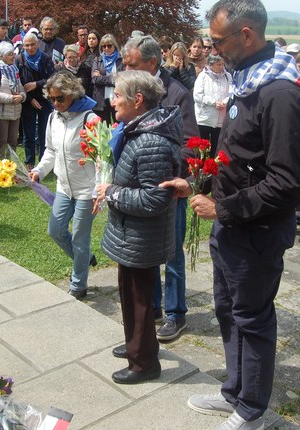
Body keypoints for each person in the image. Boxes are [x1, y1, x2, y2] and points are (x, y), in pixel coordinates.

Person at [162, 0, 300, 430]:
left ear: (245, 34)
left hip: (257, 231)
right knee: (228, 309)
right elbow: (242, 158)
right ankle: (235, 392)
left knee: (252, 316)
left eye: (218, 42)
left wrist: (224, 207)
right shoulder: (250, 79)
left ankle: (252, 411)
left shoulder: (282, 94)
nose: (213, 51)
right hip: (231, 224)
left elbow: (286, 184)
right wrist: (195, 183)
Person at [94, 70, 182, 385]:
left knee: (141, 300)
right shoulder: (137, 131)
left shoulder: (152, 142)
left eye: (117, 95)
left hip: (142, 237)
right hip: (131, 235)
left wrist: (112, 193)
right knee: (131, 296)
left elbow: (154, 199)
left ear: (138, 100)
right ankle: (136, 344)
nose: (112, 100)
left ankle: (144, 363)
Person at [120, 34, 199, 343]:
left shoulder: (176, 94)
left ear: (152, 63)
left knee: (171, 250)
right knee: (146, 250)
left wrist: (161, 170)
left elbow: (190, 145)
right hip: (138, 189)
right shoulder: (132, 89)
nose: (125, 70)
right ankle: (152, 305)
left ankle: (176, 314)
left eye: (132, 64)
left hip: (167, 188)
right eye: (125, 65)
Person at [29, 72, 98, 299]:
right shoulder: (53, 118)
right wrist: (39, 171)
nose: (56, 103)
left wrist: (99, 191)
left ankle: (78, 284)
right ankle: (85, 259)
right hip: (64, 188)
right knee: (56, 231)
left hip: (86, 190)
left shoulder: (89, 118)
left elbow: (102, 158)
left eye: (60, 99)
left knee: (79, 238)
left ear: (73, 95)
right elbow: (50, 150)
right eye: (52, 99)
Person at [17, 32, 55, 167]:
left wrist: (36, 84)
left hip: (44, 99)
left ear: (37, 44)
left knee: (45, 133)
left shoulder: (46, 59)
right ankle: (30, 162)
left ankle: (44, 163)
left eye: (32, 44)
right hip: (28, 101)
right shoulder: (19, 60)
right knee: (29, 134)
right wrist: (30, 99)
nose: (30, 48)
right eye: (26, 45)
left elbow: (52, 79)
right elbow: (17, 83)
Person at [0, 41, 25, 152]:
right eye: (10, 54)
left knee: (13, 143)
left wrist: (22, 97)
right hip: (0, 114)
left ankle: (11, 168)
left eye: (13, 53)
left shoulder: (14, 70)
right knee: (1, 144)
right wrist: (11, 99)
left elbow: (21, 88)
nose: (13, 56)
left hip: (15, 113)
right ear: (1, 56)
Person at [193, 53, 230, 155]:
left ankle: (213, 168)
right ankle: (201, 169)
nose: (222, 67)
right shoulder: (203, 76)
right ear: (211, 65)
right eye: (219, 64)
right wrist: (213, 102)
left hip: (221, 118)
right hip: (204, 118)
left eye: (223, 64)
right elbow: (197, 95)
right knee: (202, 149)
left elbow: (232, 92)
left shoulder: (227, 76)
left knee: (216, 147)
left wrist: (225, 102)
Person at [91, 33, 122, 124]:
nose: (106, 49)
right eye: (104, 46)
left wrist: (102, 78)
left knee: (117, 126)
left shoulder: (121, 60)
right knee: (103, 129)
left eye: (109, 46)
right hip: (101, 100)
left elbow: (122, 79)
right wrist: (113, 79)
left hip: (117, 98)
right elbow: (94, 80)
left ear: (114, 46)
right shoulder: (98, 60)